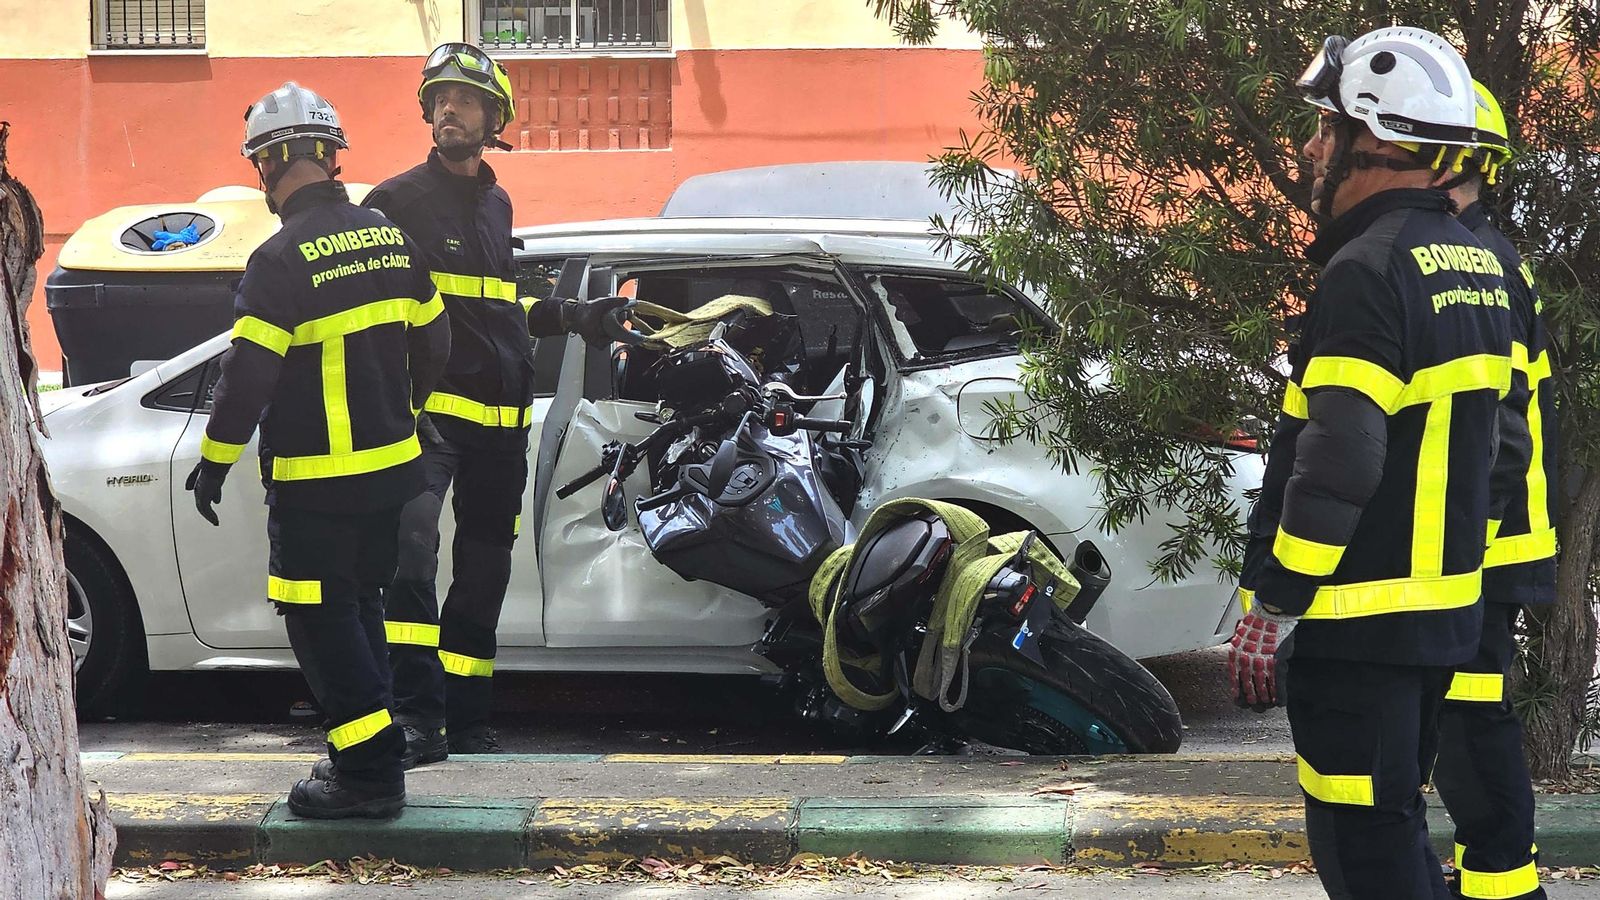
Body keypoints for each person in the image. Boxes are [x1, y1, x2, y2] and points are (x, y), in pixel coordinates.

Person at [1224, 27, 1520, 898]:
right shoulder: (1478, 262)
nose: (1314, 148)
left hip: (1360, 627)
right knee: (1396, 832)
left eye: (1328, 128)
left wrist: (1278, 599)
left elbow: (1341, 458)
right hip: (1438, 620)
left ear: (1381, 141)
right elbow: (1501, 452)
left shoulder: (1368, 268)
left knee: (1368, 854)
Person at [185, 82, 451, 818]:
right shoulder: (389, 236)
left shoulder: (278, 261)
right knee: (360, 608)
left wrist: (215, 458)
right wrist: (406, 410)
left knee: (322, 622)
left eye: (259, 164)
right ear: (331, 156)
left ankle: (367, 776)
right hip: (393, 475)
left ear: (269, 163)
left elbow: (247, 378)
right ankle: (375, 752)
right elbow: (437, 340)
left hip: (317, 486)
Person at [364, 42, 630, 765]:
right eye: (440, 99)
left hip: (501, 424)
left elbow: (501, 304)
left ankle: (465, 720)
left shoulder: (497, 200)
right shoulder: (393, 202)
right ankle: (416, 720)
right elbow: (375, 318)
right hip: (429, 422)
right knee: (412, 561)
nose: (450, 109)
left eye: (467, 100)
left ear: (495, 117)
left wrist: (576, 316)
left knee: (483, 577)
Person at [1431, 81, 1553, 900]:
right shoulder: (1482, 257)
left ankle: (1508, 889)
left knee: (1471, 723)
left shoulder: (1485, 267)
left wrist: (1455, 552)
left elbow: (1498, 441)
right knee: (1461, 721)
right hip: (1485, 539)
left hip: (1484, 543)